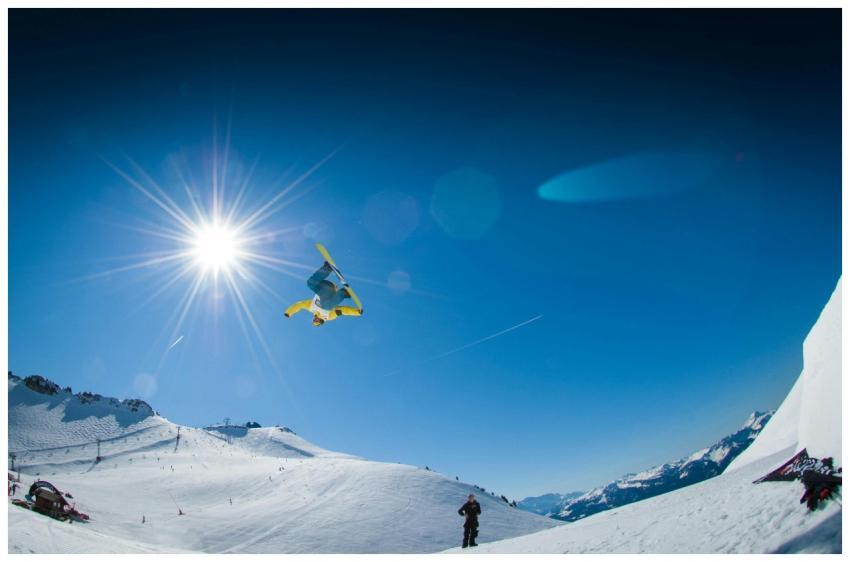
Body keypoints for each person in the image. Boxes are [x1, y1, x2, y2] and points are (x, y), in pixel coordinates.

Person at [284, 262, 362, 326]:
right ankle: (344, 293)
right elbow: (342, 310)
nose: (316, 319)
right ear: (321, 322)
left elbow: (299, 305)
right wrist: (356, 312)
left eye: (314, 320)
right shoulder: (328, 316)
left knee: (310, 283)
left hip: (323, 287)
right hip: (333, 292)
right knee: (325, 306)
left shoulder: (311, 307)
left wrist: (288, 312)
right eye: (317, 321)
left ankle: (327, 268)